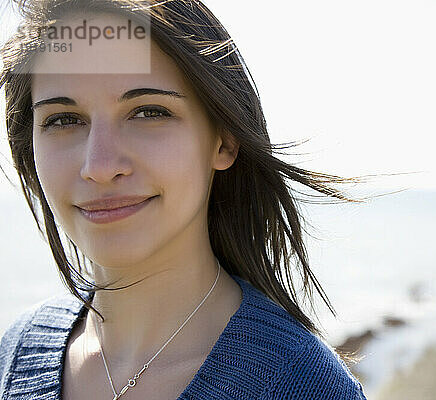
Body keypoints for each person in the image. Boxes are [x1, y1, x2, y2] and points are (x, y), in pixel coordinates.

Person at [0, 0, 369, 399]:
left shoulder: (303, 387)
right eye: (63, 120)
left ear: (224, 140)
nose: (100, 166)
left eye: (148, 112)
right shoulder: (12, 356)